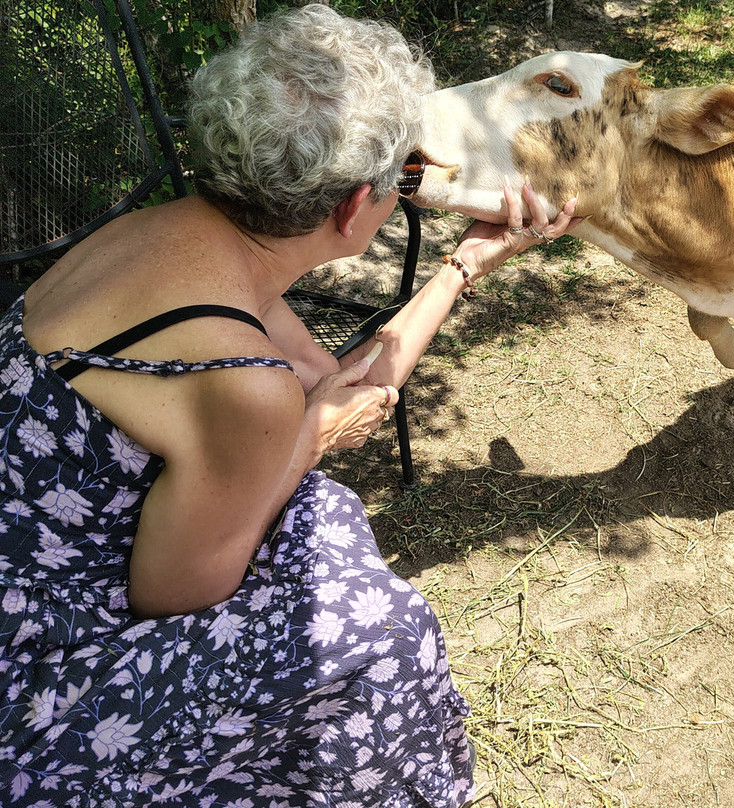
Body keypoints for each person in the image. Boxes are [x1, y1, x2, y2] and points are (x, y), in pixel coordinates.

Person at [0, 5, 577, 806]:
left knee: (321, 529)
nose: (409, 188)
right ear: (354, 207)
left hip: (42, 549)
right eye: (404, 175)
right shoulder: (243, 381)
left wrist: (467, 264)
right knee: (382, 635)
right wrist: (307, 440)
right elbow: (172, 598)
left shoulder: (172, 236)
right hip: (40, 660)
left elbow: (343, 381)